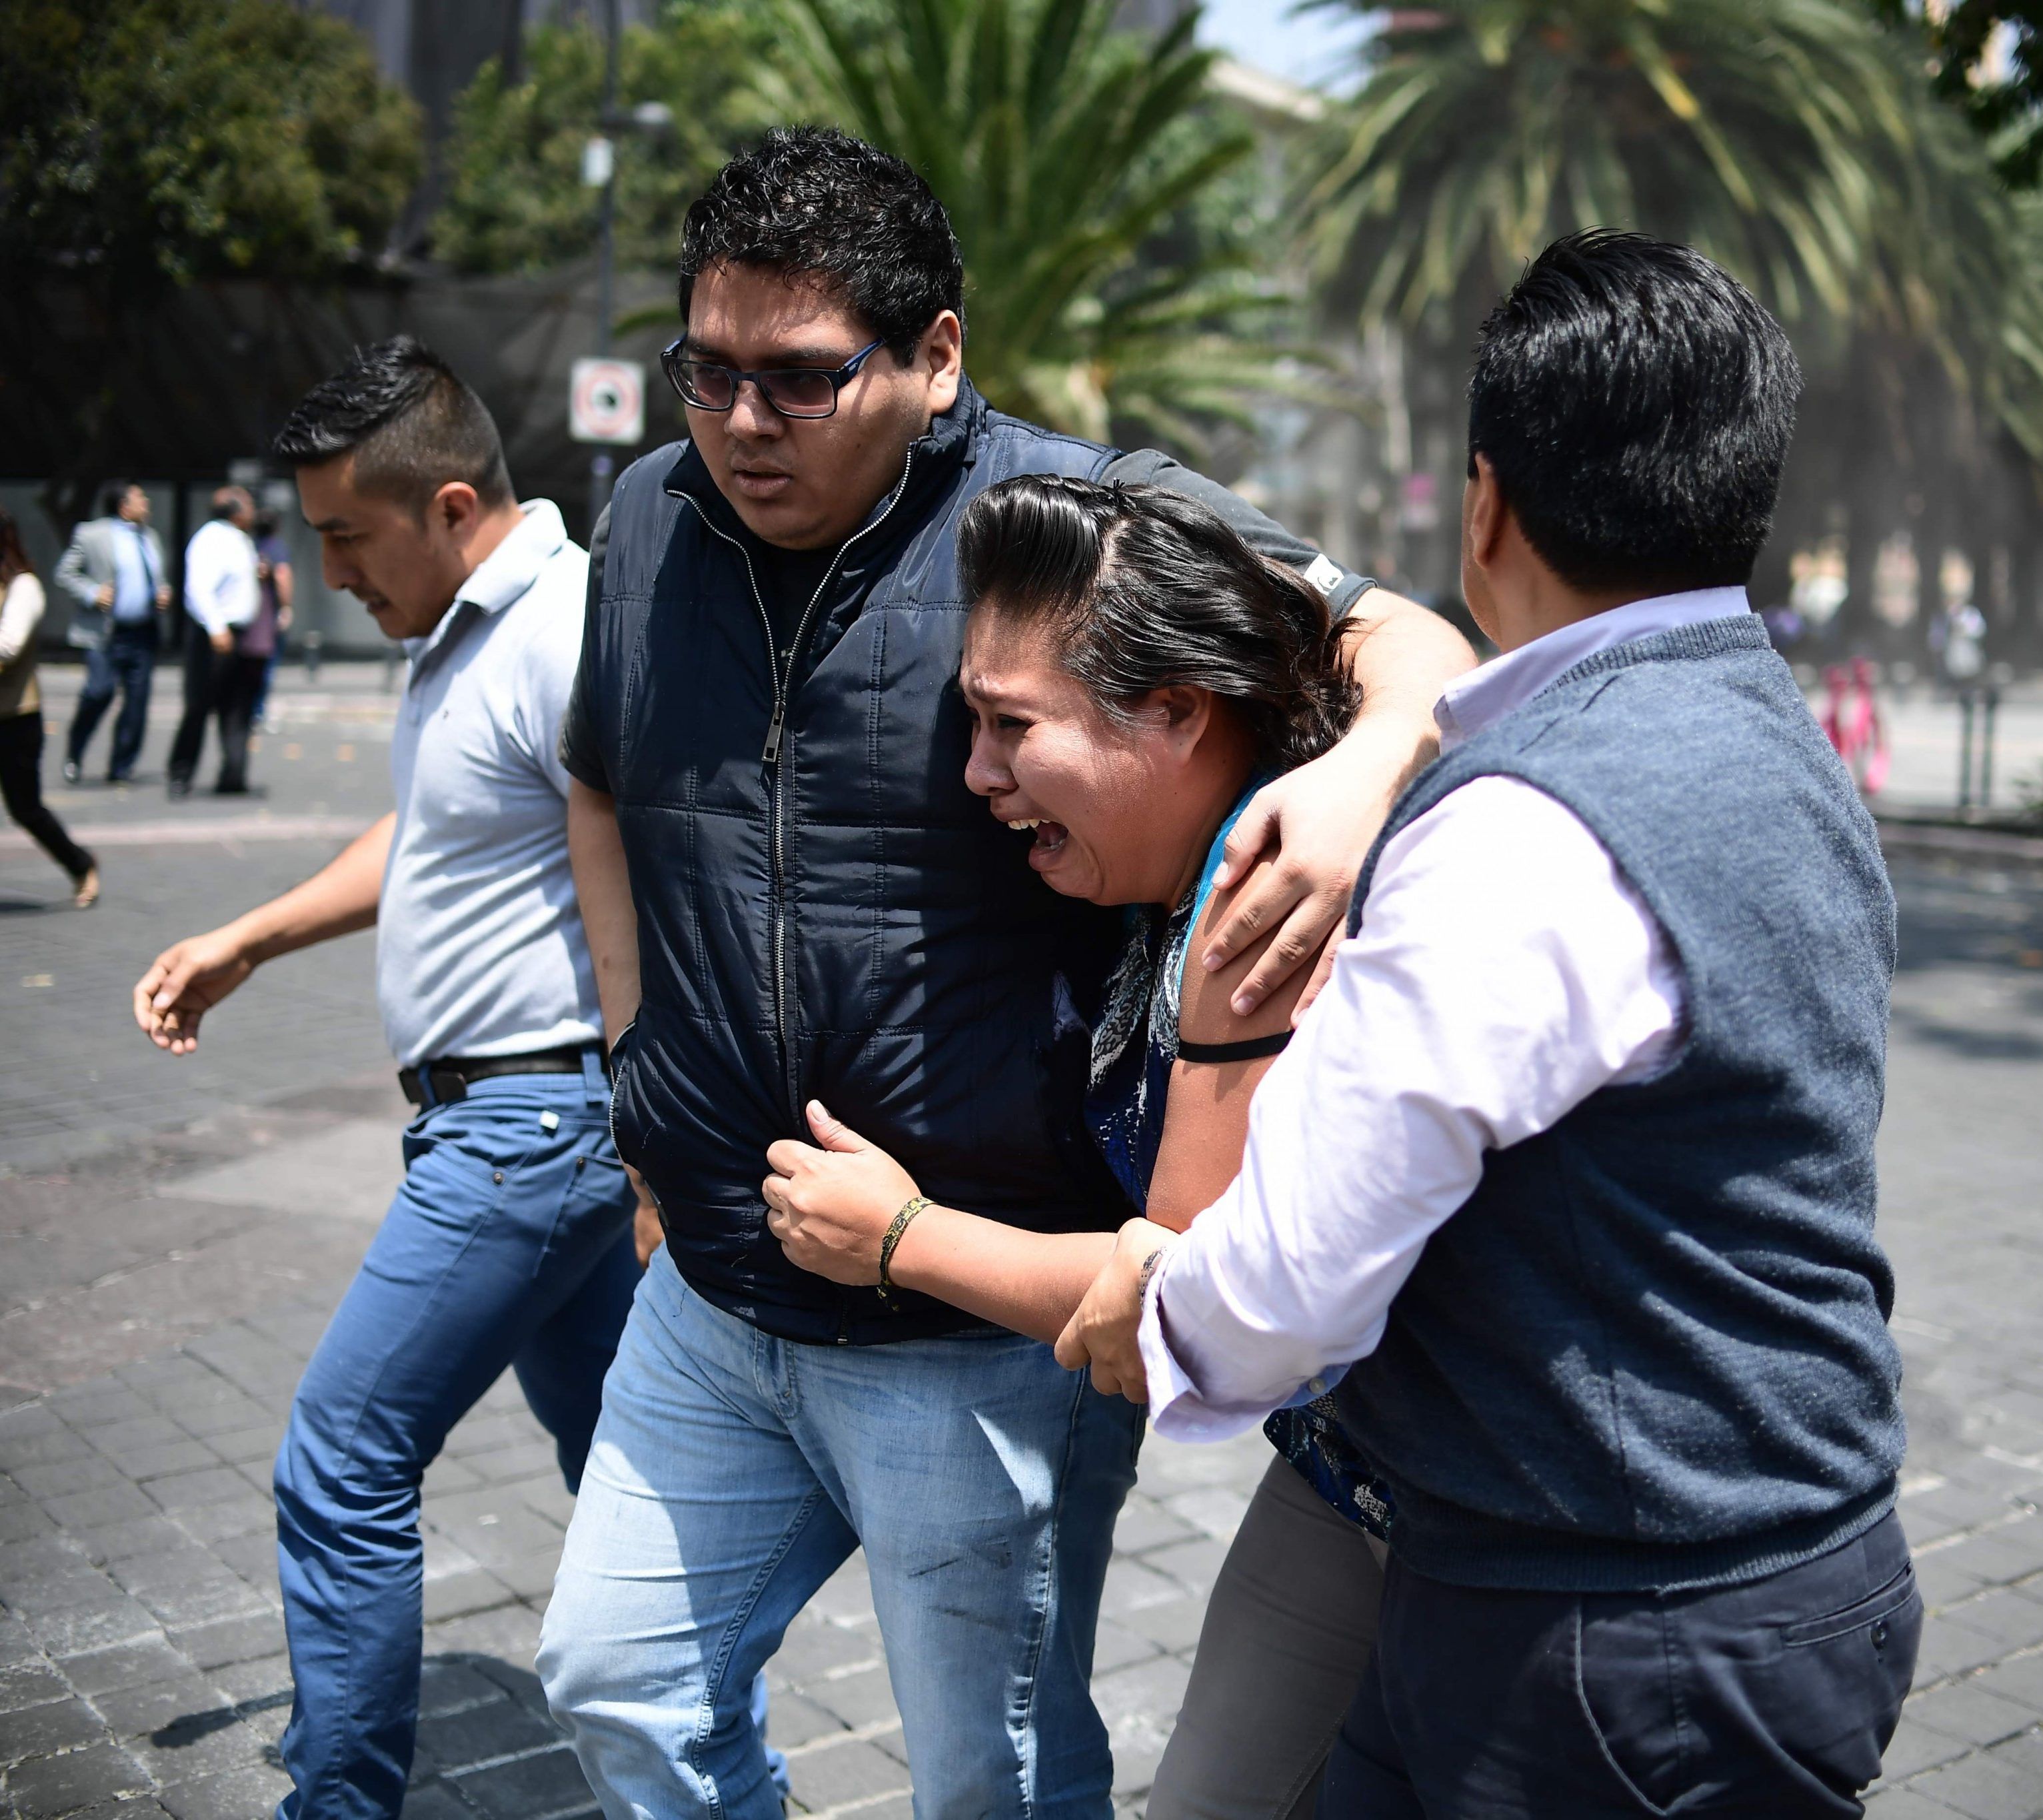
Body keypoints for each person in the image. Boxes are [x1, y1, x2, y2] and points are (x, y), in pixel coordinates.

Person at [534, 125, 1471, 1820]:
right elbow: (599, 781)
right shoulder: (646, 520)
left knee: (993, 1780)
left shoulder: (1070, 523)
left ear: (937, 354)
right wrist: (633, 1069)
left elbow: (1399, 635)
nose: (742, 423)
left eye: (801, 379)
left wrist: (1360, 770)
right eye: (708, 371)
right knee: (613, 1684)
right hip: (711, 1295)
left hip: (974, 1325)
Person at [1058, 232, 1918, 1817]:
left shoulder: (1520, 825)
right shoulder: (1776, 739)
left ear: (1484, 506)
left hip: (1607, 1635)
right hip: (1775, 1567)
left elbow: (1292, 1285)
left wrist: (1157, 1301)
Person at [753, 473, 1382, 1820]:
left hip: (1499, 1519)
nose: (975, 774)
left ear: (1176, 711)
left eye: (1010, 726)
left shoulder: (1271, 902)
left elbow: (1183, 1306)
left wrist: (900, 1239)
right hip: (1344, 1482)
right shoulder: (1189, 866)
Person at [131, 338, 643, 1820]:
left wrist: (652, 1124)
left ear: (452, 506)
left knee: (343, 1457)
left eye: (348, 535)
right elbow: (430, 829)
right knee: (626, 1472)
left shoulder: (559, 628)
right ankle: (705, 1766)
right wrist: (251, 937)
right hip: (530, 1128)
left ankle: (340, 1807)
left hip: (533, 1131)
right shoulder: (464, 633)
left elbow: (663, 859)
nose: (331, 572)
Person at [0, 509, 100, 906]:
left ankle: (81, 865)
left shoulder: (24, 587)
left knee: (25, 809)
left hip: (15, 717)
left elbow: (8, 646)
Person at [56, 480, 170, 784]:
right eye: (140, 498)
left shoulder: (150, 537)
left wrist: (162, 592)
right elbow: (65, 573)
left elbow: (155, 578)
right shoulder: (91, 534)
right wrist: (93, 593)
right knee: (99, 691)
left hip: (142, 633)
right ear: (123, 506)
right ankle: (75, 748)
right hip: (105, 633)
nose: (146, 502)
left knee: (137, 703)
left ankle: (121, 766)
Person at [167, 484, 261, 797]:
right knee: (199, 704)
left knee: (237, 706)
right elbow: (199, 589)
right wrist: (217, 627)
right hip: (214, 633)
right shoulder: (211, 539)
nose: (253, 510)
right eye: (248, 505)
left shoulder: (240, 539)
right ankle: (181, 773)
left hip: (239, 633)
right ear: (235, 511)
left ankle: (233, 773)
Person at [248, 509, 295, 728]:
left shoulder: (249, 545)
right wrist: (286, 608)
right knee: (267, 665)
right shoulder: (276, 548)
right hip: (267, 616)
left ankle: (247, 708)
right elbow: (283, 576)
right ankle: (257, 710)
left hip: (247, 616)